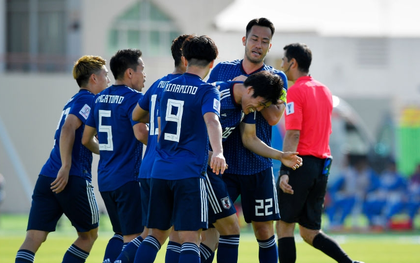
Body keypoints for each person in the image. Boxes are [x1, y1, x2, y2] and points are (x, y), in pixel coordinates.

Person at [132, 35, 225, 263]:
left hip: (160, 170)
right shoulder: (207, 90)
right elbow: (212, 121)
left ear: (184, 59)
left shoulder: (165, 87)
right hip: (189, 173)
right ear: (212, 63)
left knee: (154, 235)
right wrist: (219, 152)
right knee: (191, 238)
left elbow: (156, 123)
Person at [207, 17, 287, 263]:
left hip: (258, 166)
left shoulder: (278, 79)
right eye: (254, 39)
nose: (258, 45)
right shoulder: (222, 70)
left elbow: (274, 117)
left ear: (270, 46)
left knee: (264, 231)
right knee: (213, 228)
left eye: (264, 41)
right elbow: (207, 108)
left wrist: (252, 90)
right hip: (222, 165)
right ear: (245, 40)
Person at [15, 55, 109, 263]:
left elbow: (83, 139)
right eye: (105, 75)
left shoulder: (73, 100)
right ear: (94, 78)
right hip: (71, 176)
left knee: (33, 237)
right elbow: (68, 129)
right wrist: (66, 166)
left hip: (47, 175)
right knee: (89, 235)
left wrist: (105, 150)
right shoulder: (89, 99)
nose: (108, 79)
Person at [276, 42, 363, 263]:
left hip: (300, 164)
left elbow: (293, 134)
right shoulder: (324, 90)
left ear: (292, 63)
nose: (282, 65)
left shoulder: (295, 91)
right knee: (309, 232)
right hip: (322, 166)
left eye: (284, 61)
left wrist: (285, 169)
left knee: (284, 226)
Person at [203, 71, 302, 263]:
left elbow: (249, 138)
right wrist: (214, 154)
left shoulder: (246, 105)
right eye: (261, 103)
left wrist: (280, 156)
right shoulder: (215, 95)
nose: (259, 108)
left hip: (217, 169)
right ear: (250, 89)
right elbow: (190, 139)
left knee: (204, 235)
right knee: (202, 233)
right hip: (200, 171)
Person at [130, 34, 192, 263]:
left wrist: (155, 140)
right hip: (173, 168)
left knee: (155, 233)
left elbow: (136, 121)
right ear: (187, 58)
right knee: (175, 234)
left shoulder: (157, 85)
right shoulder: (189, 87)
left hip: (150, 167)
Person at [82, 49, 148, 263]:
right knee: (134, 236)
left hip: (106, 179)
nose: (144, 76)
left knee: (119, 234)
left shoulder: (99, 98)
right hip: (127, 178)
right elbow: (141, 134)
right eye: (142, 70)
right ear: (130, 73)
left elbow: (86, 139)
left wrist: (110, 151)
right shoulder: (135, 99)